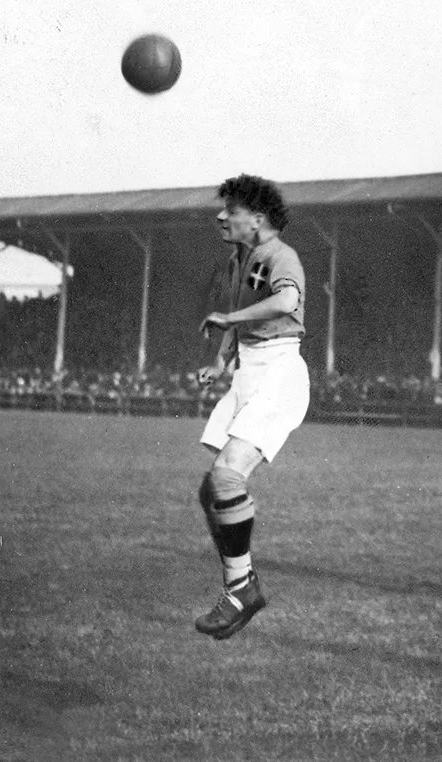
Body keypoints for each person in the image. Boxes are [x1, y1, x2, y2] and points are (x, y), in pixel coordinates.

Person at [192, 174, 309, 640]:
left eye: (231, 211)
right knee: (210, 491)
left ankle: (241, 588)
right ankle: (240, 586)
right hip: (249, 372)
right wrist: (221, 360)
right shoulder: (237, 259)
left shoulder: (282, 256)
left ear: (256, 219)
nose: (221, 216)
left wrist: (231, 320)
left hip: (279, 371)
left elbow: (287, 300)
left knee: (226, 478)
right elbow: (233, 314)